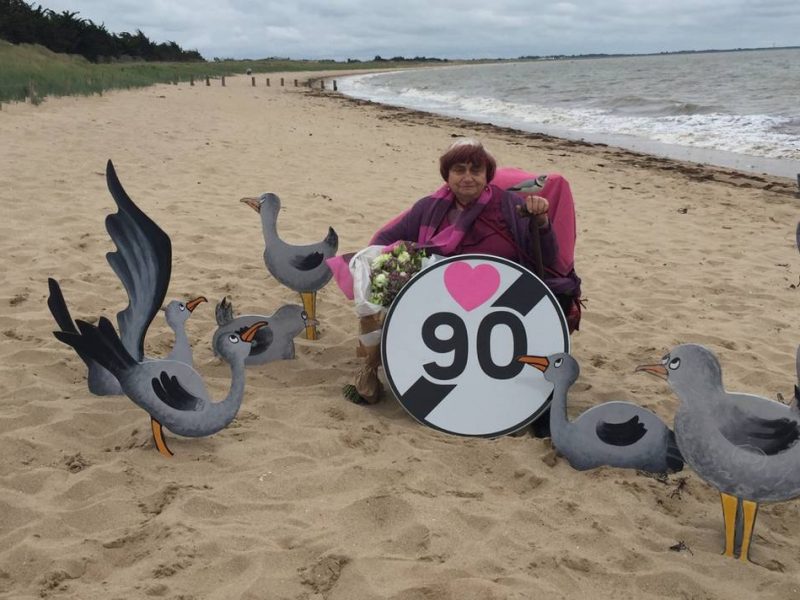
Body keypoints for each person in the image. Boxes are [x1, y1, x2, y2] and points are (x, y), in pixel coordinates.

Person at [332, 138, 567, 406]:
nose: (468, 177)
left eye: (475, 170)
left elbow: (546, 258)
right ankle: (369, 371)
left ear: (487, 175)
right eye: (459, 169)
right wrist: (393, 259)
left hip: (502, 301)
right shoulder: (429, 208)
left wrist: (542, 221)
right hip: (439, 301)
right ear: (447, 175)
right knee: (379, 276)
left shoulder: (509, 206)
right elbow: (382, 241)